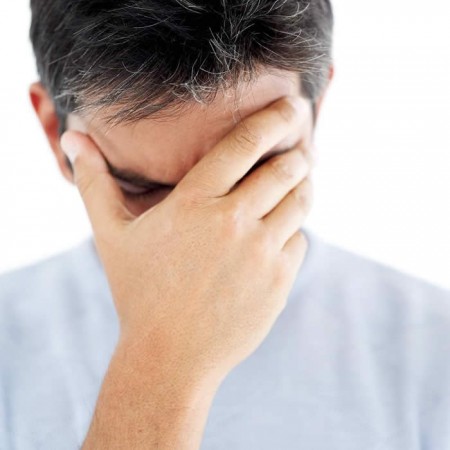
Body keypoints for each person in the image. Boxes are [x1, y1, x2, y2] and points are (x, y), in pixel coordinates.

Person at [1, 0, 449, 448]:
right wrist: (162, 366)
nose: (205, 236)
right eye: (144, 187)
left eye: (249, 175)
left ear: (316, 110)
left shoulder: (434, 351)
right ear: (53, 132)